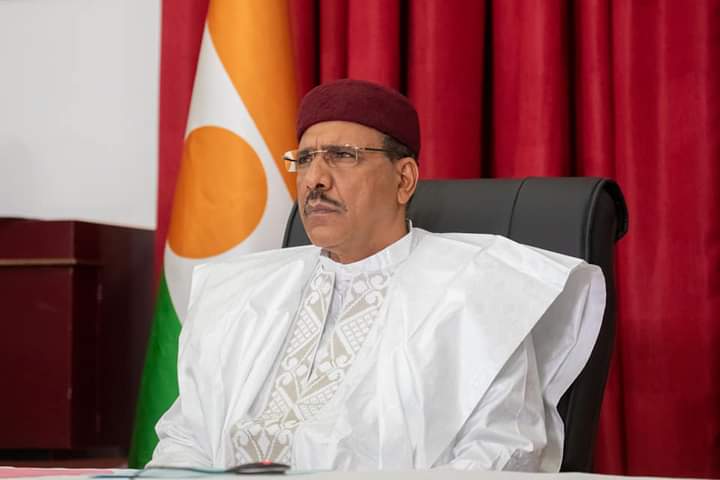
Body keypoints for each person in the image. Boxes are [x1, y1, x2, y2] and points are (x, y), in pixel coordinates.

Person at [149, 79, 605, 471]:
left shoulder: (475, 292)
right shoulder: (242, 294)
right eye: (304, 160)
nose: (314, 180)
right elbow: (184, 441)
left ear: (404, 180)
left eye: (341, 156)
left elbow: (502, 456)